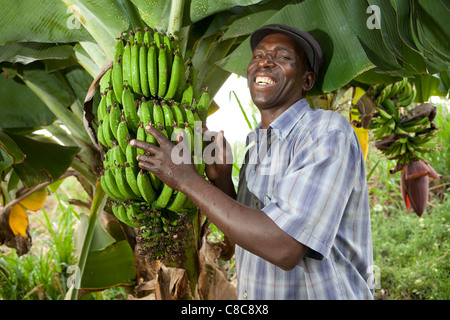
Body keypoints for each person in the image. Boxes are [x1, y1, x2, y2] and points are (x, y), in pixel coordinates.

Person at [130, 23, 374, 300]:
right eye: (258, 56)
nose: (264, 62)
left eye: (282, 57)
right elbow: (249, 235)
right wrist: (221, 180)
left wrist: (186, 180)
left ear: (307, 81)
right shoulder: (256, 143)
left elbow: (284, 247)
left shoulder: (325, 132)